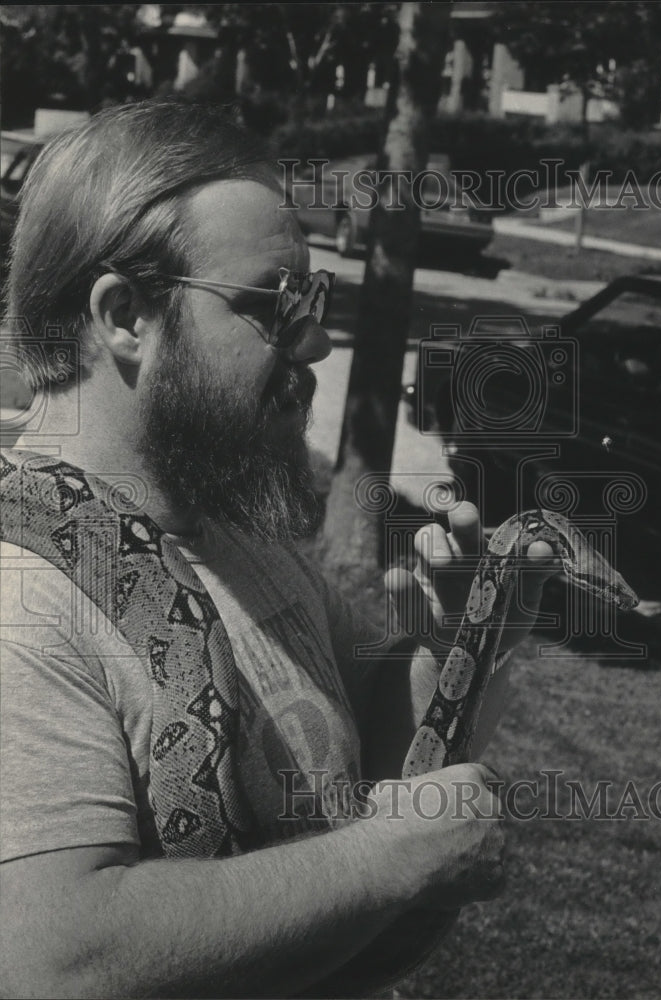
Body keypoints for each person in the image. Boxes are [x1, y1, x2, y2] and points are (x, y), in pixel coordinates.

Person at [0, 100, 554, 998]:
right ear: (126, 314)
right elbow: (49, 960)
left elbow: (359, 772)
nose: (317, 342)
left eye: (316, 299)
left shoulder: (239, 528)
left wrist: (459, 649)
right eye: (274, 305)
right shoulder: (23, 595)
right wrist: (394, 859)